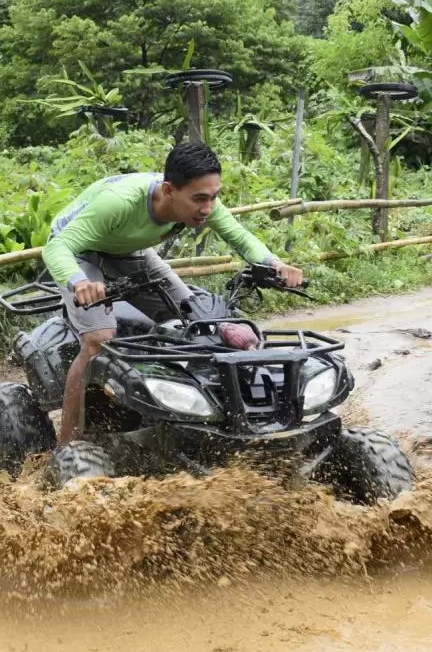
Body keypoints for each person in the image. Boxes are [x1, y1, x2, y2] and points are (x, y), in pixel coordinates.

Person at [42, 141, 305, 445]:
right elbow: (58, 247)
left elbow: (240, 237)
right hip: (79, 253)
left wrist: (275, 264)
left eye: (213, 197)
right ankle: (68, 443)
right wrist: (78, 281)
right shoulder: (119, 202)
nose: (207, 208)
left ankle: (197, 417)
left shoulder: (204, 204)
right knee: (98, 340)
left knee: (198, 322)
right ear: (168, 191)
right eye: (199, 199)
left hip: (129, 250)